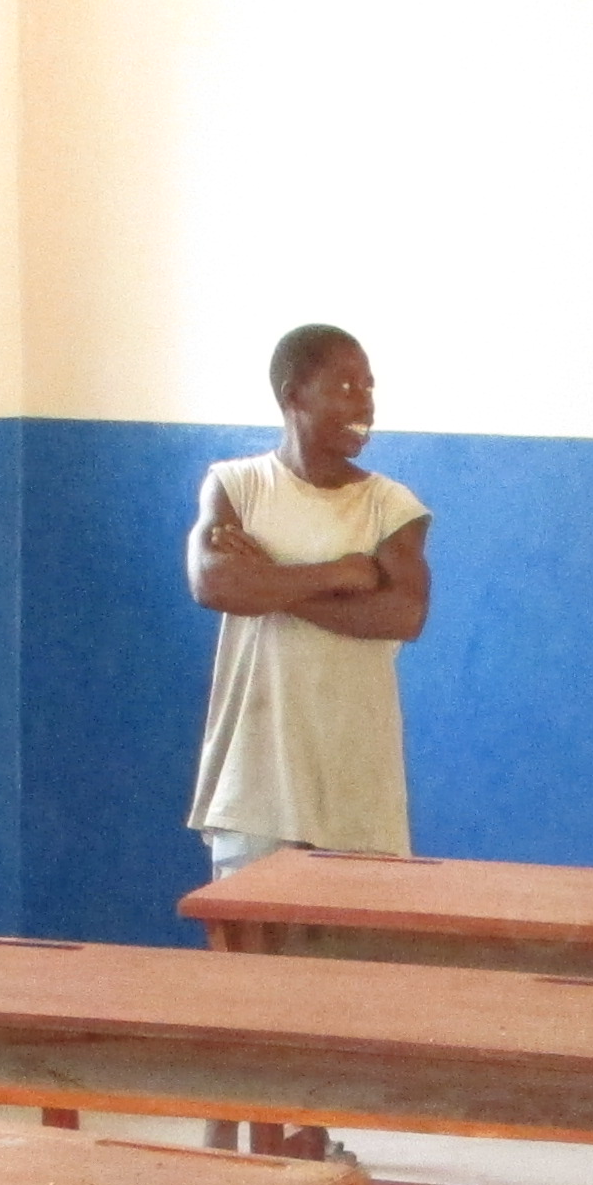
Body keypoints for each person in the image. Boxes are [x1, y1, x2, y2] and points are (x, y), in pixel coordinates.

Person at [187, 324, 431, 876]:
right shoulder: (236, 486)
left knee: (357, 931)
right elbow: (214, 585)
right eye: (346, 387)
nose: (365, 404)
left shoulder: (390, 506)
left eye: (369, 388)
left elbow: (404, 613)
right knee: (253, 933)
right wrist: (340, 573)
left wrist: (268, 584)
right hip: (255, 786)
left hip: (357, 788)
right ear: (293, 394)